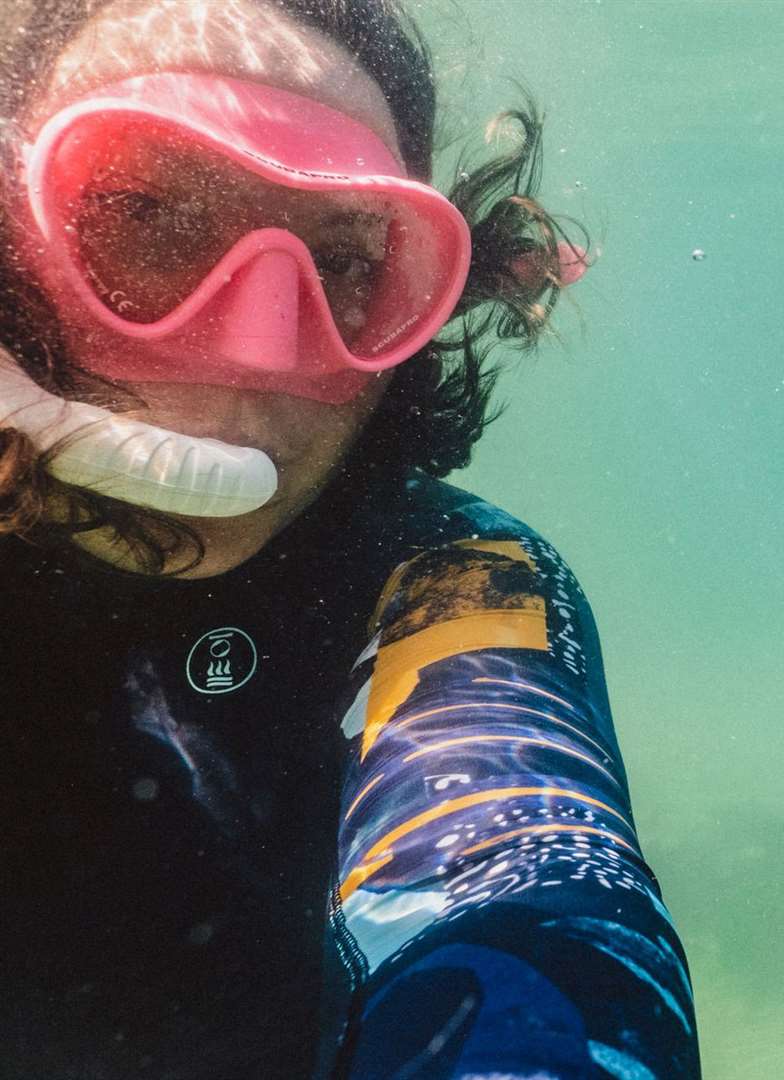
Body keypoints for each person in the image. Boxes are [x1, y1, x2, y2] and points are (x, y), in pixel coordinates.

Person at [0, 1, 700, 1077]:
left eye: (343, 265)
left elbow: (524, 887)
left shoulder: (449, 583)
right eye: (142, 215)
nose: (261, 348)